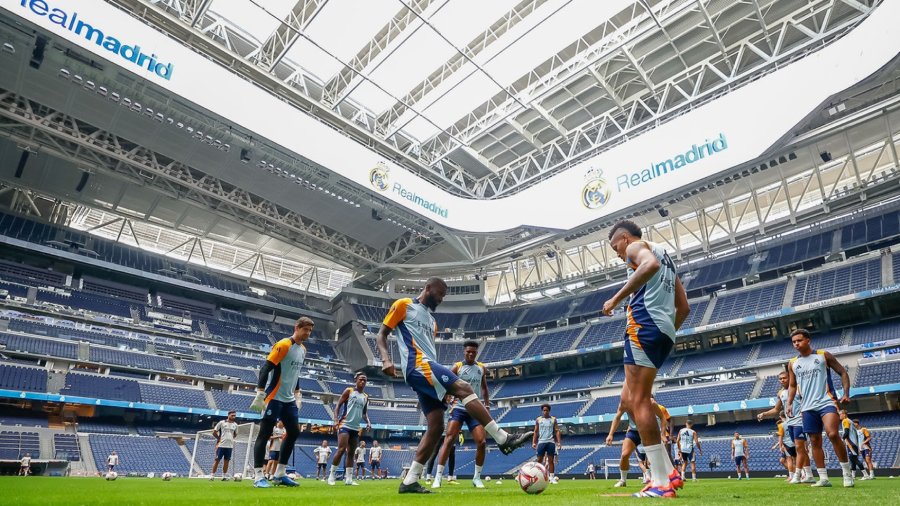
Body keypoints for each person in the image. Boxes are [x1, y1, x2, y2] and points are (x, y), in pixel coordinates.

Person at [376, 277, 532, 494]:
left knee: (437, 427)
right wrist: (385, 359)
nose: (441, 299)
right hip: (418, 366)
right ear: (428, 288)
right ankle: (503, 438)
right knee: (465, 388)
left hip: (429, 369)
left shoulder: (433, 322)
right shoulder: (404, 305)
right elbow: (382, 334)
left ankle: (410, 480)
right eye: (440, 294)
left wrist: (441, 386)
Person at [601, 221, 689, 498]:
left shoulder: (637, 248)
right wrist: (666, 331)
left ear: (625, 239)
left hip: (643, 327)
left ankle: (660, 483)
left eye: (616, 247)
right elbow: (684, 307)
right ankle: (671, 473)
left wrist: (615, 300)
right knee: (628, 399)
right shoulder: (666, 256)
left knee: (639, 401)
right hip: (663, 330)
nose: (618, 255)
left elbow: (647, 265)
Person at [248, 316, 313, 488]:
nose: (308, 333)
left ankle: (280, 474)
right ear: (297, 327)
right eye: (305, 329)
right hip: (274, 398)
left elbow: (295, 373)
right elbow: (266, 367)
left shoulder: (303, 350)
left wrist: (298, 393)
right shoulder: (284, 345)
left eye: (310, 330)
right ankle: (258, 476)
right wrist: (260, 392)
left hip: (289, 399)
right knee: (265, 433)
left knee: (293, 432)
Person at [787, 328, 854, 488]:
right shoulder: (792, 363)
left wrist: (846, 393)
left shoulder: (823, 355)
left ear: (808, 340)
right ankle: (823, 478)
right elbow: (792, 385)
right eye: (794, 342)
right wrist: (789, 403)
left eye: (799, 340)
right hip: (807, 407)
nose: (796, 344)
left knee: (832, 434)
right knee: (814, 441)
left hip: (827, 402)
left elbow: (843, 372)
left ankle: (847, 473)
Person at [433, 341, 489, 489]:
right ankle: (438, 477)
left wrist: (487, 405)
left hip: (475, 409)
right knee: (449, 439)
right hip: (458, 408)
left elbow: (484, 388)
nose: (470, 354)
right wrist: (446, 397)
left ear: (476, 353)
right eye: (468, 352)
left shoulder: (481, 368)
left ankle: (477, 478)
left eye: (473, 352)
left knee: (482, 442)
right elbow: (445, 383)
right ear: (464, 352)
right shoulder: (457, 367)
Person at [757, 370, 813, 484]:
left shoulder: (799, 388)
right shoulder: (780, 393)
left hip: (800, 422)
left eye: (784, 378)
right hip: (790, 423)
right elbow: (776, 409)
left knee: (799, 448)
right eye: (780, 378)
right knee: (799, 450)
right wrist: (764, 414)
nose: (782, 380)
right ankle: (809, 475)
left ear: (790, 378)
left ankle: (797, 476)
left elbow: (807, 401)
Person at [606, 399, 667, 488]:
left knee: (653, 458)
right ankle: (623, 480)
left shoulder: (650, 402)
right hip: (634, 431)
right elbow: (617, 417)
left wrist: (662, 434)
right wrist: (610, 434)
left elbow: (662, 417)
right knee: (624, 455)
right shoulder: (625, 403)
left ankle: (658, 479)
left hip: (649, 431)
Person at [327, 372, 370, 486]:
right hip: (345, 425)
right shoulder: (349, 391)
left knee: (351, 453)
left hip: (355, 428)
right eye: (361, 379)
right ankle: (331, 476)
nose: (362, 381)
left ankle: (349, 479)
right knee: (341, 450)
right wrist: (336, 420)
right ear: (356, 380)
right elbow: (338, 406)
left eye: (365, 380)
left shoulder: (365, 397)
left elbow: (364, 413)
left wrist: (368, 422)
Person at [532, 404, 562, 484]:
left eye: (546, 410)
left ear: (549, 411)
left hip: (550, 442)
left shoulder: (553, 419)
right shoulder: (538, 420)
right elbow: (535, 431)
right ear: (542, 411)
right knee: (539, 461)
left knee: (551, 461)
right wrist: (534, 442)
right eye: (544, 410)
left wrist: (559, 442)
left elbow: (557, 431)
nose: (545, 412)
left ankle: (551, 478)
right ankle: (537, 477)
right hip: (541, 442)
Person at [210, 411, 238, 481]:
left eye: (234, 416)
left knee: (227, 461)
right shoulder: (222, 423)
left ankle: (224, 476)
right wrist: (219, 439)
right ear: (228, 415)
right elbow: (214, 432)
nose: (233, 417)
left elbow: (235, 434)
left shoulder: (235, 425)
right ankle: (212, 476)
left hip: (230, 446)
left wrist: (230, 439)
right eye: (232, 415)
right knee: (217, 460)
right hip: (221, 445)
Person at [840, 410, 866, 479]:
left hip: (851, 443)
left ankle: (866, 475)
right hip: (854, 443)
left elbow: (846, 432)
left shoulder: (845, 421)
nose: (839, 416)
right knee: (852, 459)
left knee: (854, 459)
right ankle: (853, 476)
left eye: (840, 414)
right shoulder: (850, 421)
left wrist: (842, 439)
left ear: (844, 414)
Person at [774, 414, 795, 481]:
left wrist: (780, 447)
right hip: (795, 442)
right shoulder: (792, 422)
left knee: (789, 460)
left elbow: (781, 437)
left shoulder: (781, 425)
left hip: (787, 444)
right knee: (796, 460)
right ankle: (801, 475)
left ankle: (792, 476)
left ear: (780, 416)